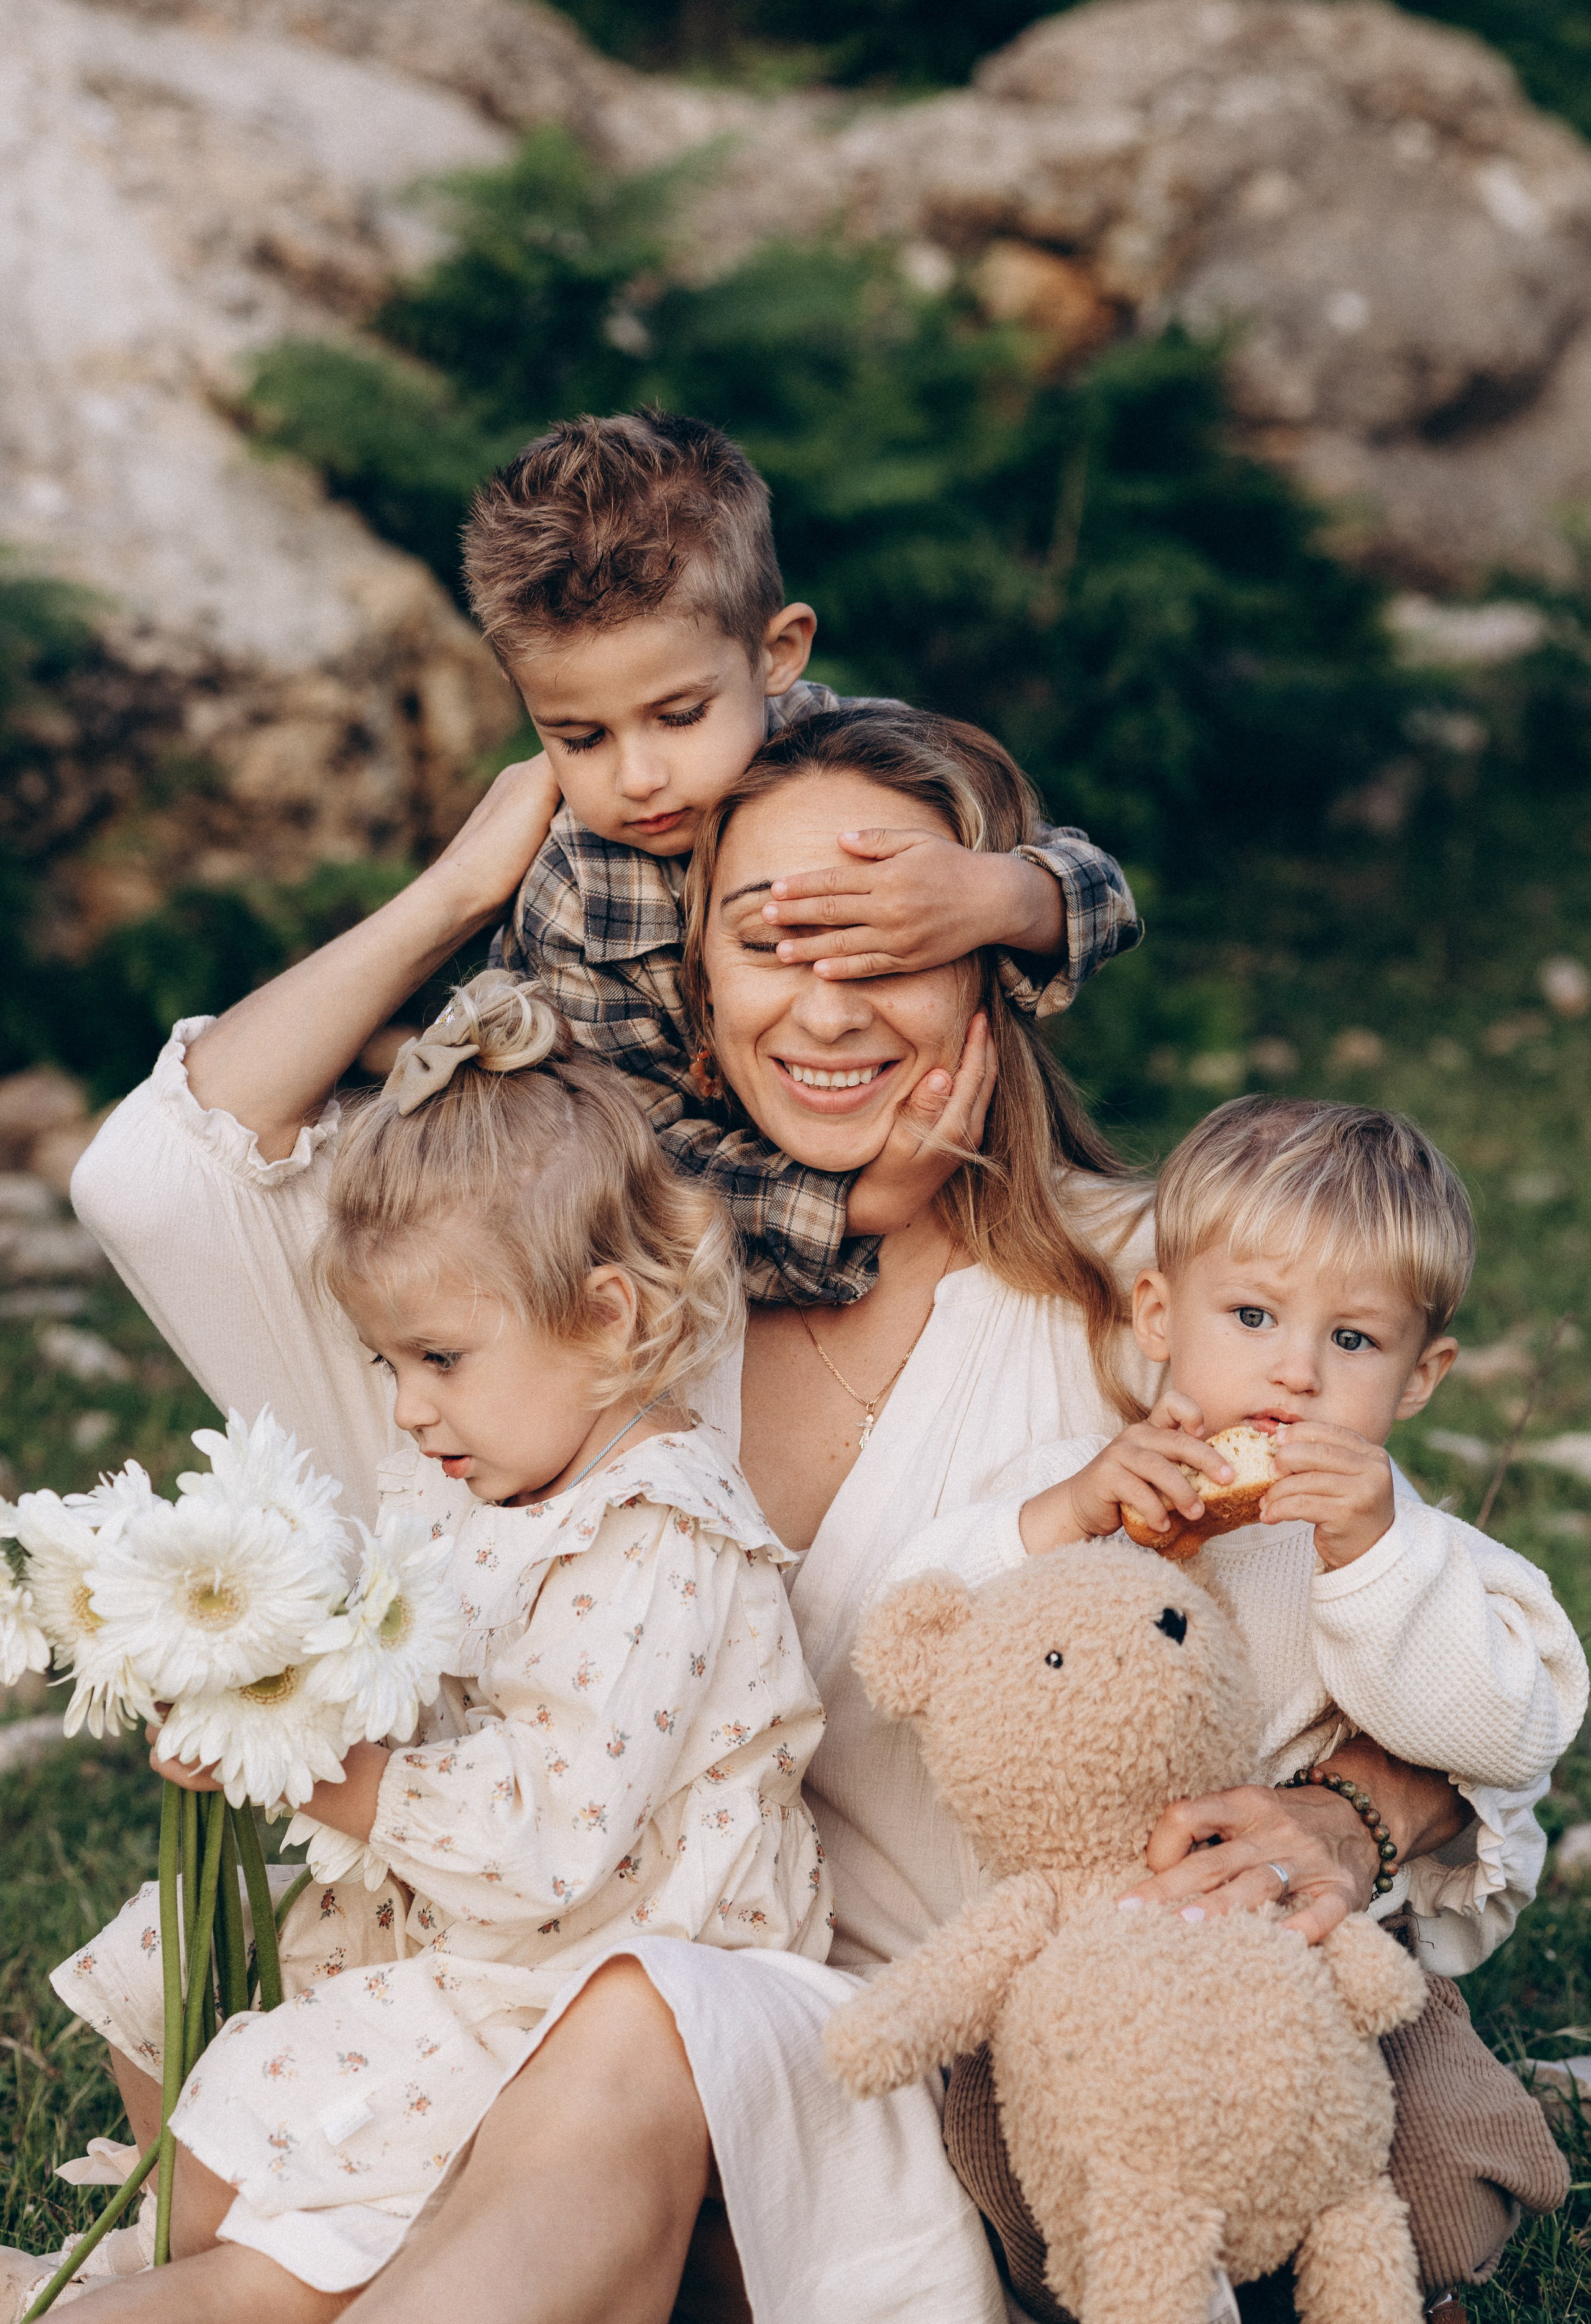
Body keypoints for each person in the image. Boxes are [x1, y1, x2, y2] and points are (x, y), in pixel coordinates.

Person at [53, 708, 1530, 2324]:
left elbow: (1446, 1645)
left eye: (893, 942)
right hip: (528, 2038)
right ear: (696, 974)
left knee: (643, 2016)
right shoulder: (585, 1294)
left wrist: (1347, 1820)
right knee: (524, 2027)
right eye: (770, 938)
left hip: (948, 2089)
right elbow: (155, 1181)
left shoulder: (1139, 1301)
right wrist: (474, 880)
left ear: (996, 963)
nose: (828, 1002)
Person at [28, 976, 828, 2321]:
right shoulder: (472, 1480)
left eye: (439, 1359)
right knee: (171, 1952)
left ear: (613, 1318)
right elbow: (392, 1663)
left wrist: (312, 1765)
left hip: (587, 1959)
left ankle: (271, 2278)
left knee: (281, 2192)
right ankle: (257, 2248)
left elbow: (555, 1837)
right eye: (385, 1362)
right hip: (455, 1908)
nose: (403, 1410)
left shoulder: (659, 1534)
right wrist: (251, 1690)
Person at [942, 1091, 1585, 2318]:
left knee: (1428, 2168)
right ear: (1155, 1317)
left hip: (1316, 1964)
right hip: (1101, 1960)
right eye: (1249, 1317)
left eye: (1352, 1342)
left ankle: (1389, 2281)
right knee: (1047, 2180)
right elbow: (930, 1624)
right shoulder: (1092, 1489)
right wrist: (1067, 1523)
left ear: (1419, 1377)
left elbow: (1496, 1736)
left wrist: (1371, 1556)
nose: (1293, 1371)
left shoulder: (1418, 1553)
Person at [464, 408, 1142, 1302]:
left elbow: (1107, 899)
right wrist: (859, 1206)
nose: (640, 778)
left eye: (679, 716)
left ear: (777, 653)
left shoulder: (860, 762)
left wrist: (1000, 895)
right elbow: (643, 1160)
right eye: (580, 737)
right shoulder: (579, 889)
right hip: (681, 1238)